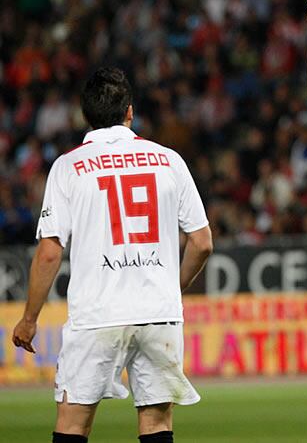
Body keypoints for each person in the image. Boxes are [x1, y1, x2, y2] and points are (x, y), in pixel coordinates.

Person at [12, 67, 213, 443]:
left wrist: (29, 318)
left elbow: (50, 253)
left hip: (96, 314)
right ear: (130, 112)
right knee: (156, 424)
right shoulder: (169, 160)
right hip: (158, 313)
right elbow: (202, 242)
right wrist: (173, 286)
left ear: (85, 116)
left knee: (73, 424)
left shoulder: (69, 167)